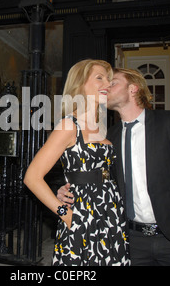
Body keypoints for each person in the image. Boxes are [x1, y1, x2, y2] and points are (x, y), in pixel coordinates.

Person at [57, 67, 170, 266]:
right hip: (129, 240)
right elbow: (101, 182)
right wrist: (67, 190)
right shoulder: (108, 138)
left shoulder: (169, 124)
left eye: (113, 83)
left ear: (133, 89)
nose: (106, 86)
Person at [23, 60, 130, 266]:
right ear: (80, 85)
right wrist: (66, 215)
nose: (107, 83)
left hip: (110, 214)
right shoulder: (69, 125)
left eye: (108, 79)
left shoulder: (102, 127)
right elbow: (32, 177)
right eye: (99, 77)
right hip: (83, 216)